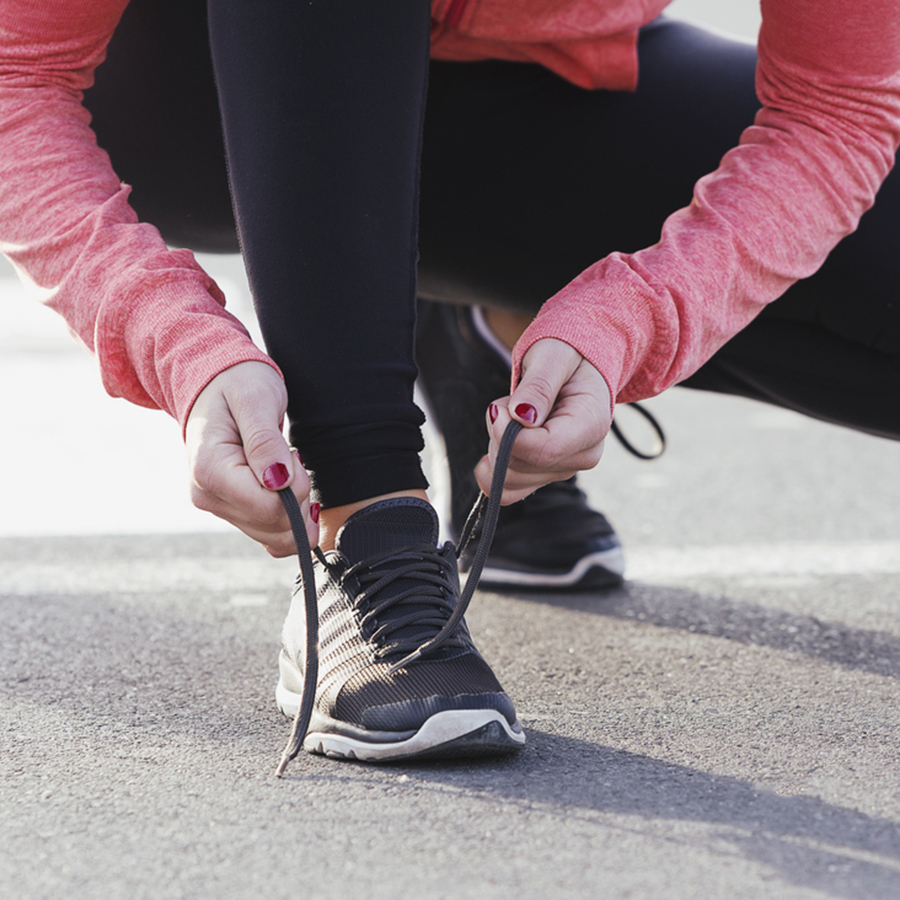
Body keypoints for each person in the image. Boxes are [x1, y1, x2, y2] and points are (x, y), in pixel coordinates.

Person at [1, 0, 898, 763]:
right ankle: (370, 525)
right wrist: (176, 345)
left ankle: (477, 332)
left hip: (517, 81)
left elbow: (840, 107)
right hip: (185, 95)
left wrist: (635, 317)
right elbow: (14, 74)